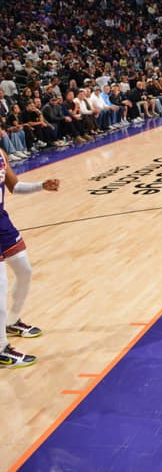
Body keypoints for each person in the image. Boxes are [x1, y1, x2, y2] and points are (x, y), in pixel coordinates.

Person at [0, 148, 60, 368]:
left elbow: (14, 186)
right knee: (0, 286)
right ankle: (1, 349)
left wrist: (40, 186)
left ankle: (11, 321)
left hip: (1, 220)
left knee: (24, 270)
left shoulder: (1, 152)